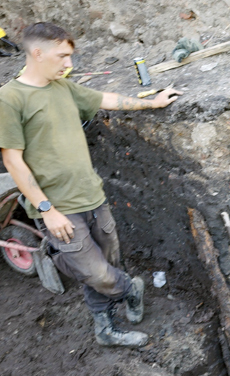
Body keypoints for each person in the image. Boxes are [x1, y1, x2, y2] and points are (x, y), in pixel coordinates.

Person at [0, 22, 181, 347]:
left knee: (106, 265)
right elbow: (13, 161)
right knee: (95, 272)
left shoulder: (64, 89)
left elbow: (104, 98)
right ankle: (131, 289)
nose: (69, 64)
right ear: (37, 53)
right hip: (58, 208)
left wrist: (152, 103)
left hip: (93, 197)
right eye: (63, 56)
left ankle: (106, 329)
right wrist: (47, 209)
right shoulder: (10, 99)